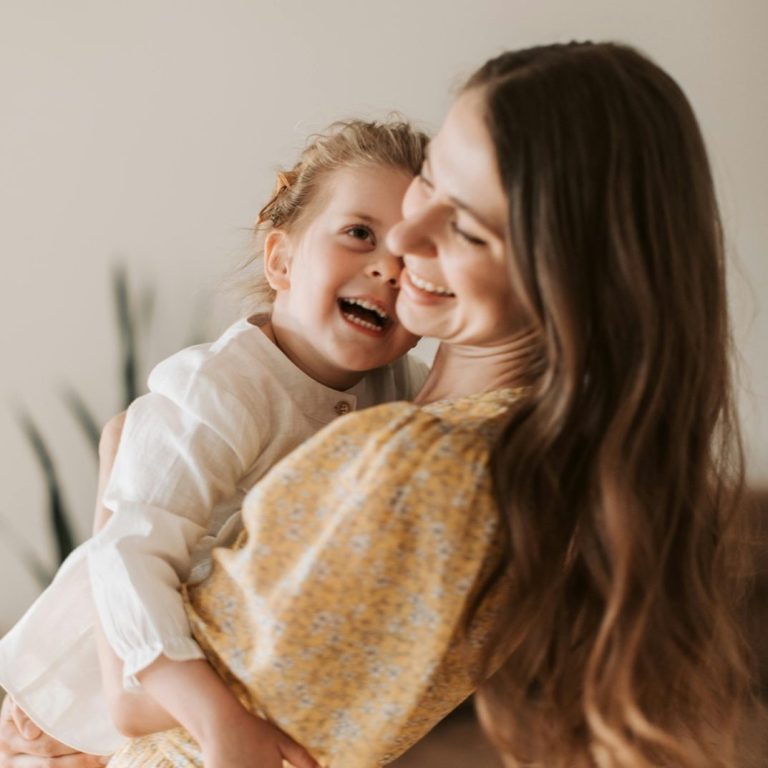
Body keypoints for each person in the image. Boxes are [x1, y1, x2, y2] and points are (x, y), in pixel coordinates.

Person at [1, 41, 752, 768]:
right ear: (280, 256)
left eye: (468, 226)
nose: (403, 242)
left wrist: (112, 473)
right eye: (432, 180)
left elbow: (139, 704)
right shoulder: (405, 421)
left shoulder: (424, 464)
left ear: (563, 278)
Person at [0, 119, 430, 766]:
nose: (386, 269)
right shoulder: (223, 389)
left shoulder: (400, 388)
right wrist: (217, 718)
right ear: (281, 259)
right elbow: (130, 555)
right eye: (359, 234)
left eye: (414, 257)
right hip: (72, 707)